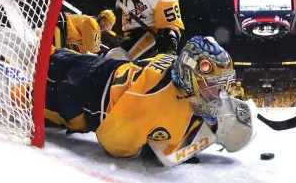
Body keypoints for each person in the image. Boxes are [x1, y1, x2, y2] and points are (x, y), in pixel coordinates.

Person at [44, 35, 258, 167]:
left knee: (46, 53)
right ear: (191, 74)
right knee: (23, 97)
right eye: (213, 83)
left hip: (95, 66)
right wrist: (142, 146)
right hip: (76, 99)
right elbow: (113, 141)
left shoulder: (173, 63)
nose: (219, 91)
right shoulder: (165, 112)